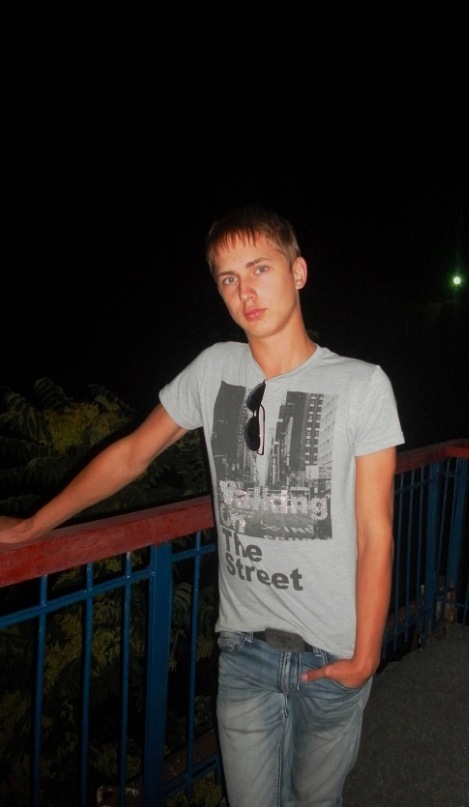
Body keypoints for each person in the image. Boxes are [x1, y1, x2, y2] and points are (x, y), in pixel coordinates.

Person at [0, 205, 404, 806]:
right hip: (244, 652)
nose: (246, 292)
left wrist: (365, 655)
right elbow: (132, 454)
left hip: (333, 652)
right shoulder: (215, 369)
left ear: (298, 272)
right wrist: (33, 525)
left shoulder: (362, 385)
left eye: (260, 268)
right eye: (228, 278)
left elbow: (375, 532)